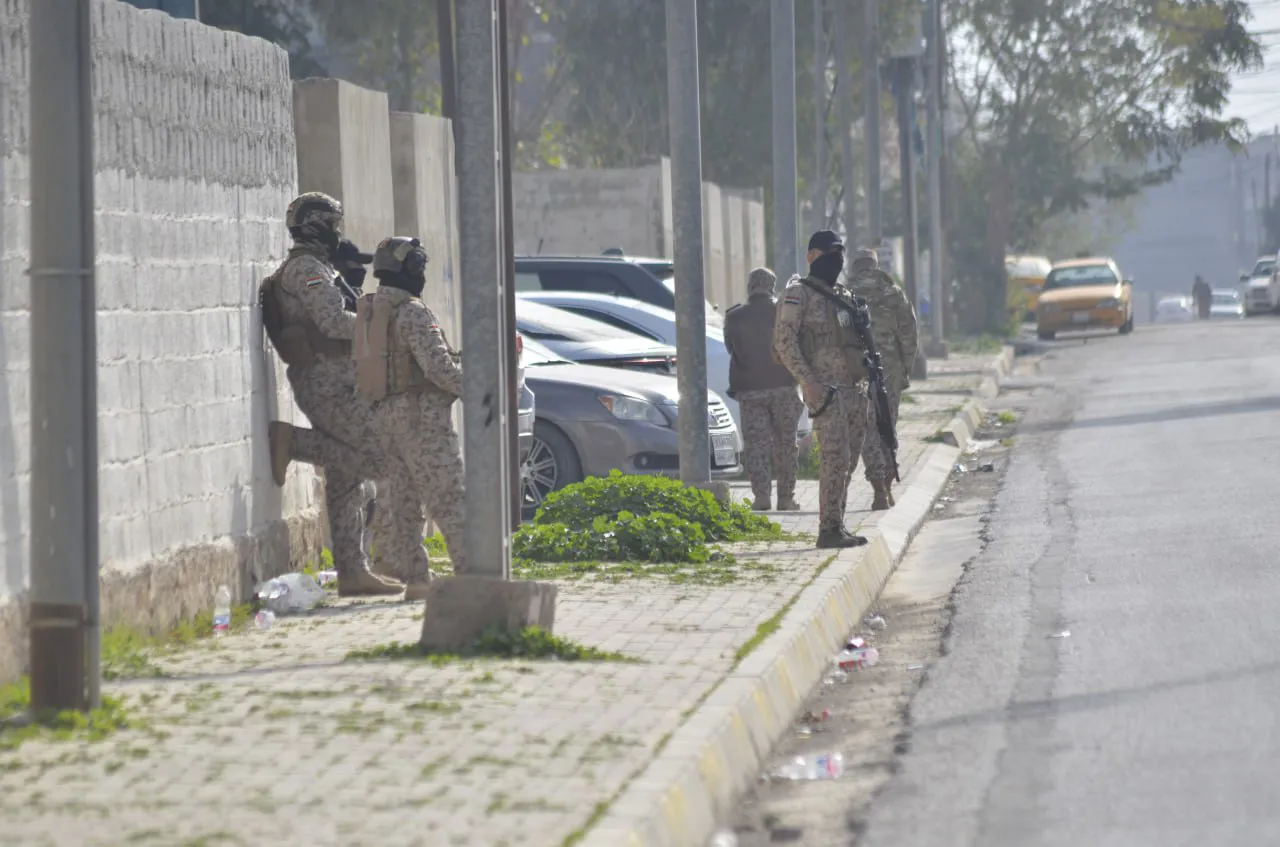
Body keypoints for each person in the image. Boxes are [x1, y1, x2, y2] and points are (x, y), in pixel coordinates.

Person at [258, 192, 406, 597]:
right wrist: (382, 326)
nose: (337, 233)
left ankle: (353, 572)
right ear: (315, 227)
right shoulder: (305, 269)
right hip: (327, 382)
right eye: (332, 225)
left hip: (337, 379)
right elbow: (333, 321)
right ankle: (294, 442)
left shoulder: (319, 267)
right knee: (382, 459)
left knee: (346, 479)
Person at [355, 237, 466, 599]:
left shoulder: (371, 311)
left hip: (384, 417)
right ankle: (474, 574)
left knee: (400, 502)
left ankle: (415, 579)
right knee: (448, 495)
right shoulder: (412, 312)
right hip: (421, 418)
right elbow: (438, 368)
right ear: (411, 269)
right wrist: (478, 389)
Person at [773, 230, 870, 549]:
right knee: (834, 458)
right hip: (826, 392)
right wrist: (808, 381)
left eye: (840, 254)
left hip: (854, 390)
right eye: (830, 254)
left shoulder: (844, 295)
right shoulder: (798, 294)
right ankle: (828, 530)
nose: (836, 261)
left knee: (848, 462)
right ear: (812, 257)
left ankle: (837, 522)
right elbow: (784, 342)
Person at [723, 267, 804, 512]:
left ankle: (761, 497)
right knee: (785, 444)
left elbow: (730, 348)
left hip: (750, 391)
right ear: (772, 286)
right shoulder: (784, 311)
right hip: (785, 388)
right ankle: (786, 498)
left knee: (756, 445)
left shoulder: (734, 317)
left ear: (750, 287)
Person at [847, 249, 919, 510]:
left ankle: (878, 487)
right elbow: (909, 333)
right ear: (875, 265)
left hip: (857, 370)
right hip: (889, 369)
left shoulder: (844, 294)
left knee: (867, 430)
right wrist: (905, 368)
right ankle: (887, 483)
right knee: (887, 426)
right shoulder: (893, 293)